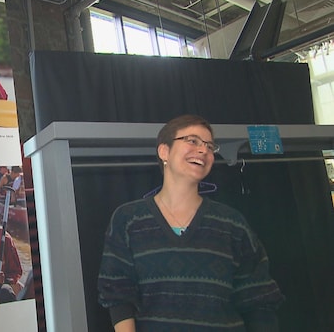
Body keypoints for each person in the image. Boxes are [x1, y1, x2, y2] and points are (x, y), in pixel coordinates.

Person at [97, 114, 285, 331]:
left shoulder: (232, 223)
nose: (203, 150)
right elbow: (118, 293)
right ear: (164, 151)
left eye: (209, 146)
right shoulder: (128, 219)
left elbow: (259, 300)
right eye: (192, 141)